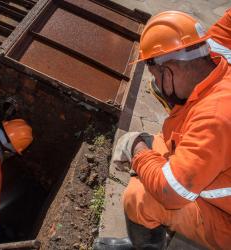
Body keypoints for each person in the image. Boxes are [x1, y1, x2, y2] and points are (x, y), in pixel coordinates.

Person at [94, 11, 231, 249]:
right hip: (215, 177)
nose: (156, 85)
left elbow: (171, 191)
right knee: (153, 148)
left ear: (169, 69)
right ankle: (151, 236)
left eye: (157, 77)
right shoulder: (213, 59)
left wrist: (136, 149)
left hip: (226, 220)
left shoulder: (216, 115)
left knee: (143, 198)